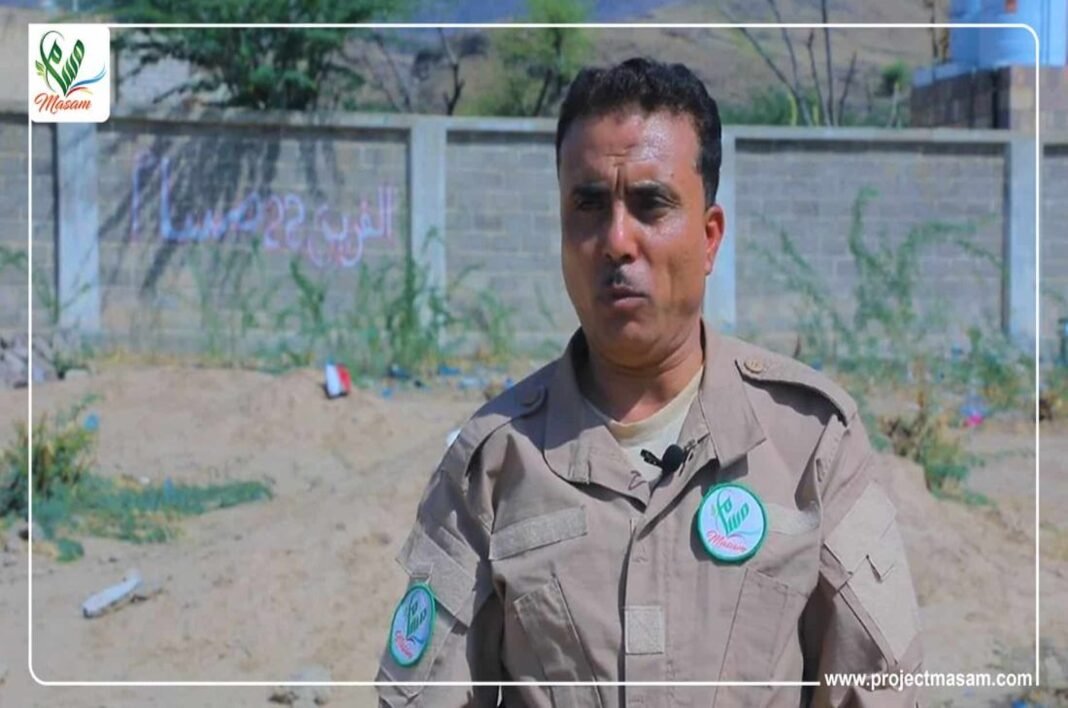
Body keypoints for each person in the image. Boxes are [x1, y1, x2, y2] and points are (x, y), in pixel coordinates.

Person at [375, 57, 923, 707]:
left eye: (650, 204)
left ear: (710, 238)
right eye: (588, 205)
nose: (616, 241)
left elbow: (881, 689)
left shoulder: (809, 441)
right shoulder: (494, 463)